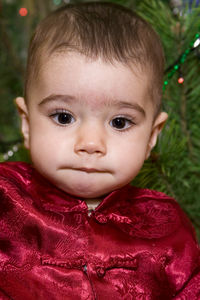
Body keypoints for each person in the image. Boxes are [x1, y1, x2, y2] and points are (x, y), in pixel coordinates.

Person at [0, 2, 199, 299]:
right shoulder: (6, 198)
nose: (91, 143)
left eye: (120, 122)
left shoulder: (168, 227)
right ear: (27, 125)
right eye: (64, 117)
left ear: (152, 137)